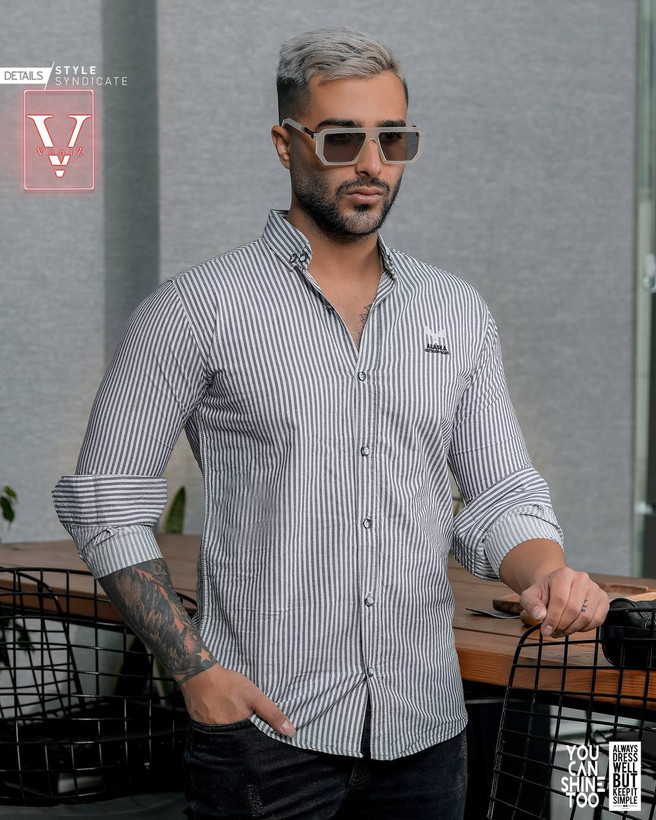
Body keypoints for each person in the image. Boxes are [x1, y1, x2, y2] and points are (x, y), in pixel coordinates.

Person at [53, 26, 609, 820]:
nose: (372, 164)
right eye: (343, 139)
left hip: (427, 736)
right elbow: (107, 504)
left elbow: (501, 495)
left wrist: (547, 573)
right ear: (287, 144)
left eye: (393, 139)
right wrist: (196, 672)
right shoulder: (196, 310)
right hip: (263, 735)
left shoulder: (457, 311)